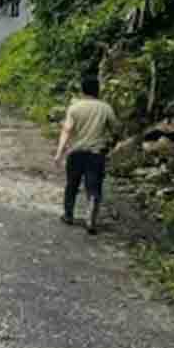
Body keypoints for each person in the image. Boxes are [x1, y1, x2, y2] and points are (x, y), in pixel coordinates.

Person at [54, 76, 120, 233]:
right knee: (93, 187)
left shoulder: (75, 108)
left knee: (72, 185)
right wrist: (111, 143)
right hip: (96, 154)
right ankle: (91, 219)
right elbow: (116, 129)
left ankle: (68, 215)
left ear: (82, 90)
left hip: (76, 153)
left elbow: (67, 130)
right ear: (98, 90)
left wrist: (59, 153)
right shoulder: (106, 108)